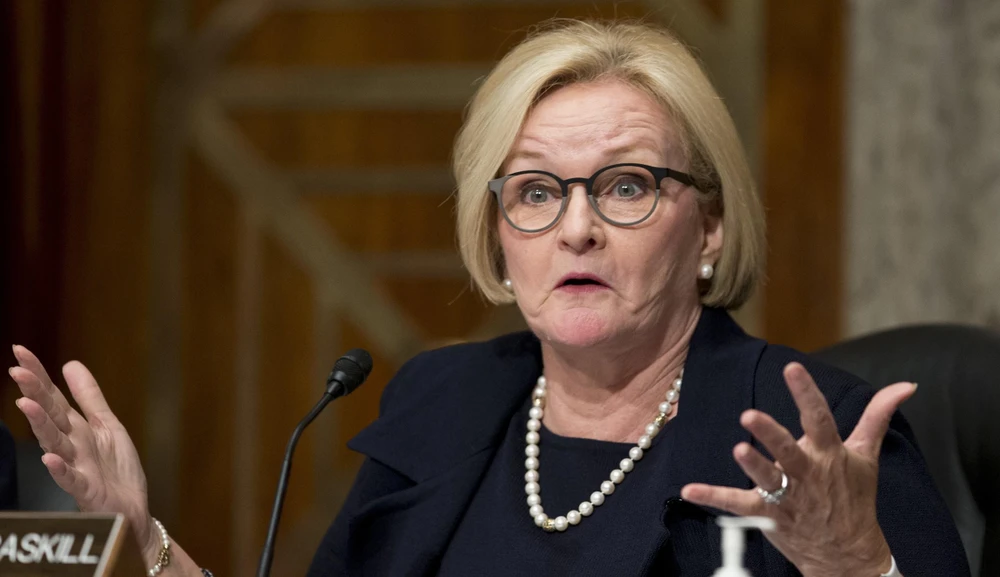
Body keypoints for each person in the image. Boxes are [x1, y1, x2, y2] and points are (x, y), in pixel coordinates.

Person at [7, 19, 969, 577]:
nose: (576, 229)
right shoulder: (442, 404)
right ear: (499, 235)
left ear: (709, 228)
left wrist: (861, 567)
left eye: (626, 186)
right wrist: (140, 539)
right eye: (537, 192)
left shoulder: (821, 441)